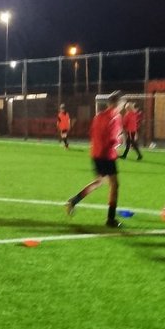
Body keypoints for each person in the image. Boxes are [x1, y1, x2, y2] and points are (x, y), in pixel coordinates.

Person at [65, 91, 124, 228]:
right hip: (106, 155)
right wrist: (117, 145)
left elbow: (93, 134)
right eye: (121, 103)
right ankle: (110, 219)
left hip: (95, 154)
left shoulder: (98, 116)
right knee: (114, 185)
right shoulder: (115, 117)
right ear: (117, 103)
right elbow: (112, 139)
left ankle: (74, 201)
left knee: (99, 182)